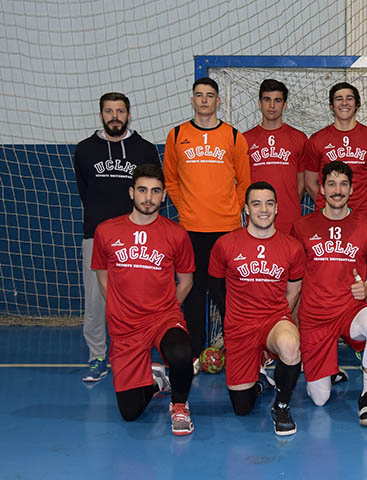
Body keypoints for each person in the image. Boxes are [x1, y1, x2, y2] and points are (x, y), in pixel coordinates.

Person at [91, 164, 196, 435]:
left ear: (164, 196)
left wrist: (167, 309)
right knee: (130, 412)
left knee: (182, 353)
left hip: (162, 317)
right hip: (125, 325)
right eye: (142, 190)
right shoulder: (106, 231)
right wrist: (117, 306)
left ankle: (180, 405)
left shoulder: (176, 234)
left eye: (155, 191)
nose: (148, 197)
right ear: (131, 192)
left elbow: (186, 281)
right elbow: (102, 275)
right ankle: (158, 381)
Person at [290, 161, 367, 426]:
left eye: (343, 184)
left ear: (352, 189)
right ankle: (328, 369)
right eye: (331, 184)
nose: (337, 190)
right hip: (315, 317)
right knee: (320, 398)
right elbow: (293, 280)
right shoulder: (301, 226)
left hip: (350, 310)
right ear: (321, 188)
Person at [163, 76, 251, 368]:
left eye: (209, 95)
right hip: (190, 229)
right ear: (191, 100)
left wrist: (231, 209)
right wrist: (185, 209)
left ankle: (238, 351)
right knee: (194, 294)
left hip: (227, 230)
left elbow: (244, 182)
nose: (204, 100)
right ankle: (193, 354)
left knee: (227, 295)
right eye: (199, 95)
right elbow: (170, 181)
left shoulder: (234, 136)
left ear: (218, 101)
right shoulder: (176, 136)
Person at [74, 92, 160, 382]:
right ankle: (97, 355)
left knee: (137, 298)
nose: (115, 116)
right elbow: (85, 190)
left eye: (120, 111)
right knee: (96, 301)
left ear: (128, 114)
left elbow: (151, 192)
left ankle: (138, 353)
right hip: (97, 236)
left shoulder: (145, 149)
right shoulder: (85, 150)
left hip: (137, 239)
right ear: (101, 115)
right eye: (109, 111)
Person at [209, 182, 305, 436]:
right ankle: (259, 380)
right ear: (246, 209)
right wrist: (229, 317)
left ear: (277, 208)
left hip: (272, 319)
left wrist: (281, 320)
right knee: (242, 408)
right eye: (257, 203)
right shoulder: (225, 244)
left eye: (269, 203)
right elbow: (216, 284)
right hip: (239, 326)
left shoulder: (292, 247)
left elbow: (293, 291)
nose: (264, 209)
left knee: (289, 345)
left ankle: (282, 406)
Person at [304, 82, 367, 214]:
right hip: (327, 216)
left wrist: (366, 210)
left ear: (357, 105)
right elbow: (310, 183)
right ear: (331, 106)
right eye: (339, 99)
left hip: (361, 216)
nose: (344, 103)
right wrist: (330, 206)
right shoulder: (317, 140)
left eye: (349, 98)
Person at [244, 79, 309, 234]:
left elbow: (302, 181)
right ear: (259, 103)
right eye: (267, 100)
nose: (272, 106)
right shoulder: (245, 139)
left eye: (277, 100)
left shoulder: (299, 138)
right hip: (256, 220)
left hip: (290, 219)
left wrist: (288, 203)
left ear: (284, 105)